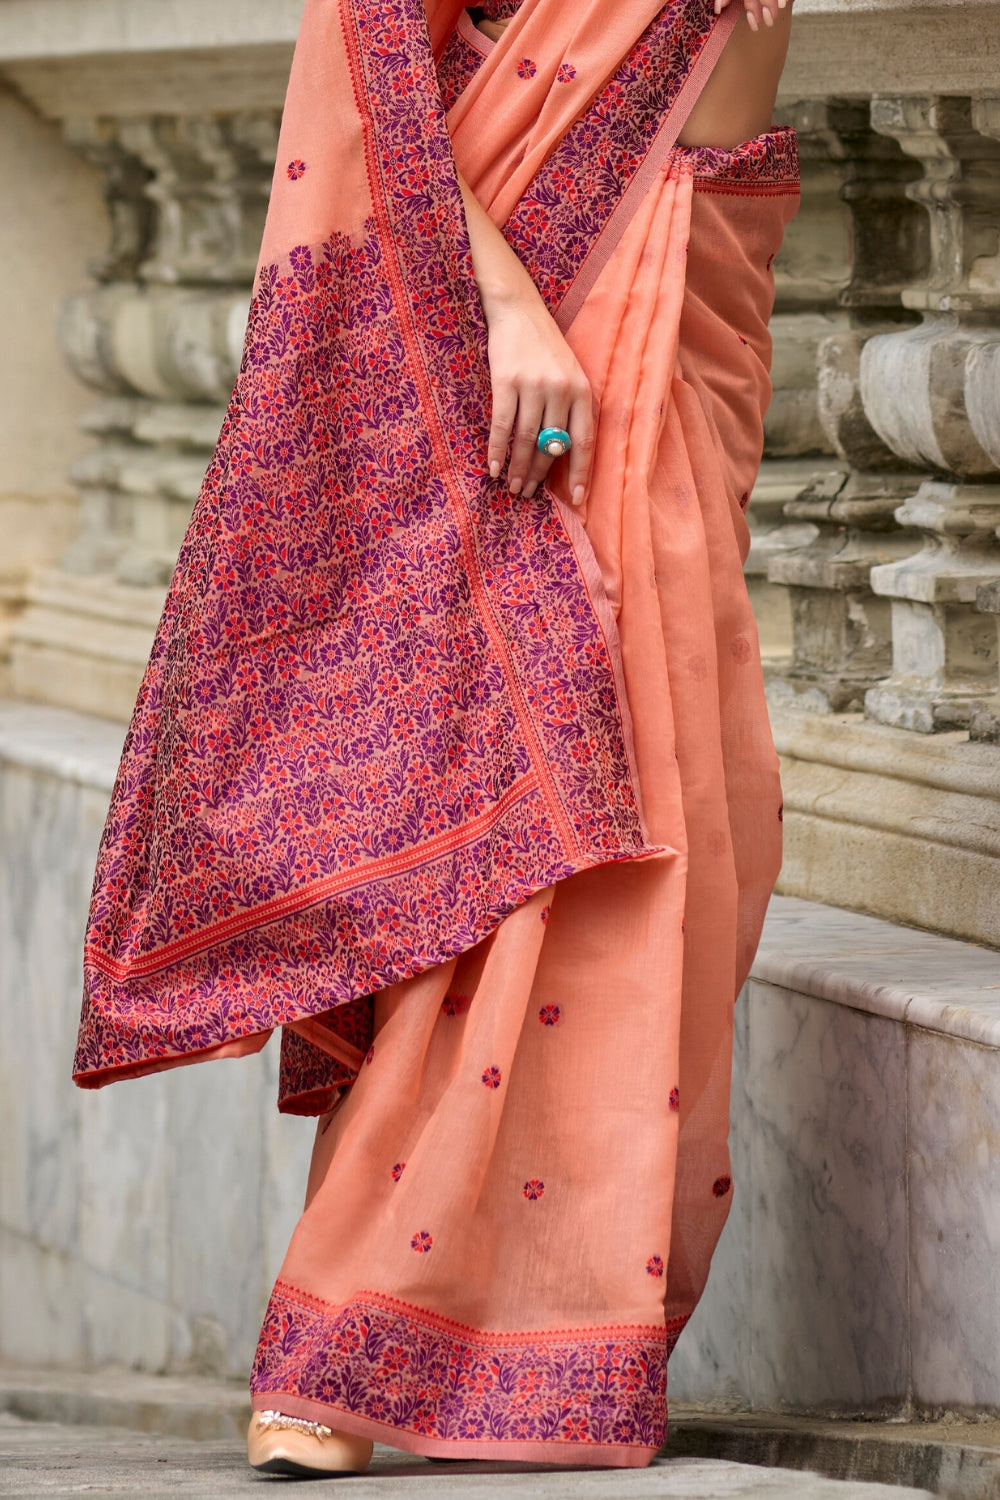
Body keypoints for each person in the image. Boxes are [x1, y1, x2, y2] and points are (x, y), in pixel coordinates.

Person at [74, 0, 798, 1476]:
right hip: (527, 284)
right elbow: (369, 42)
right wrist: (504, 306)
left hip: (694, 252)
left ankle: (568, 1334)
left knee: (677, 810)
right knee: (534, 802)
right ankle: (355, 1327)